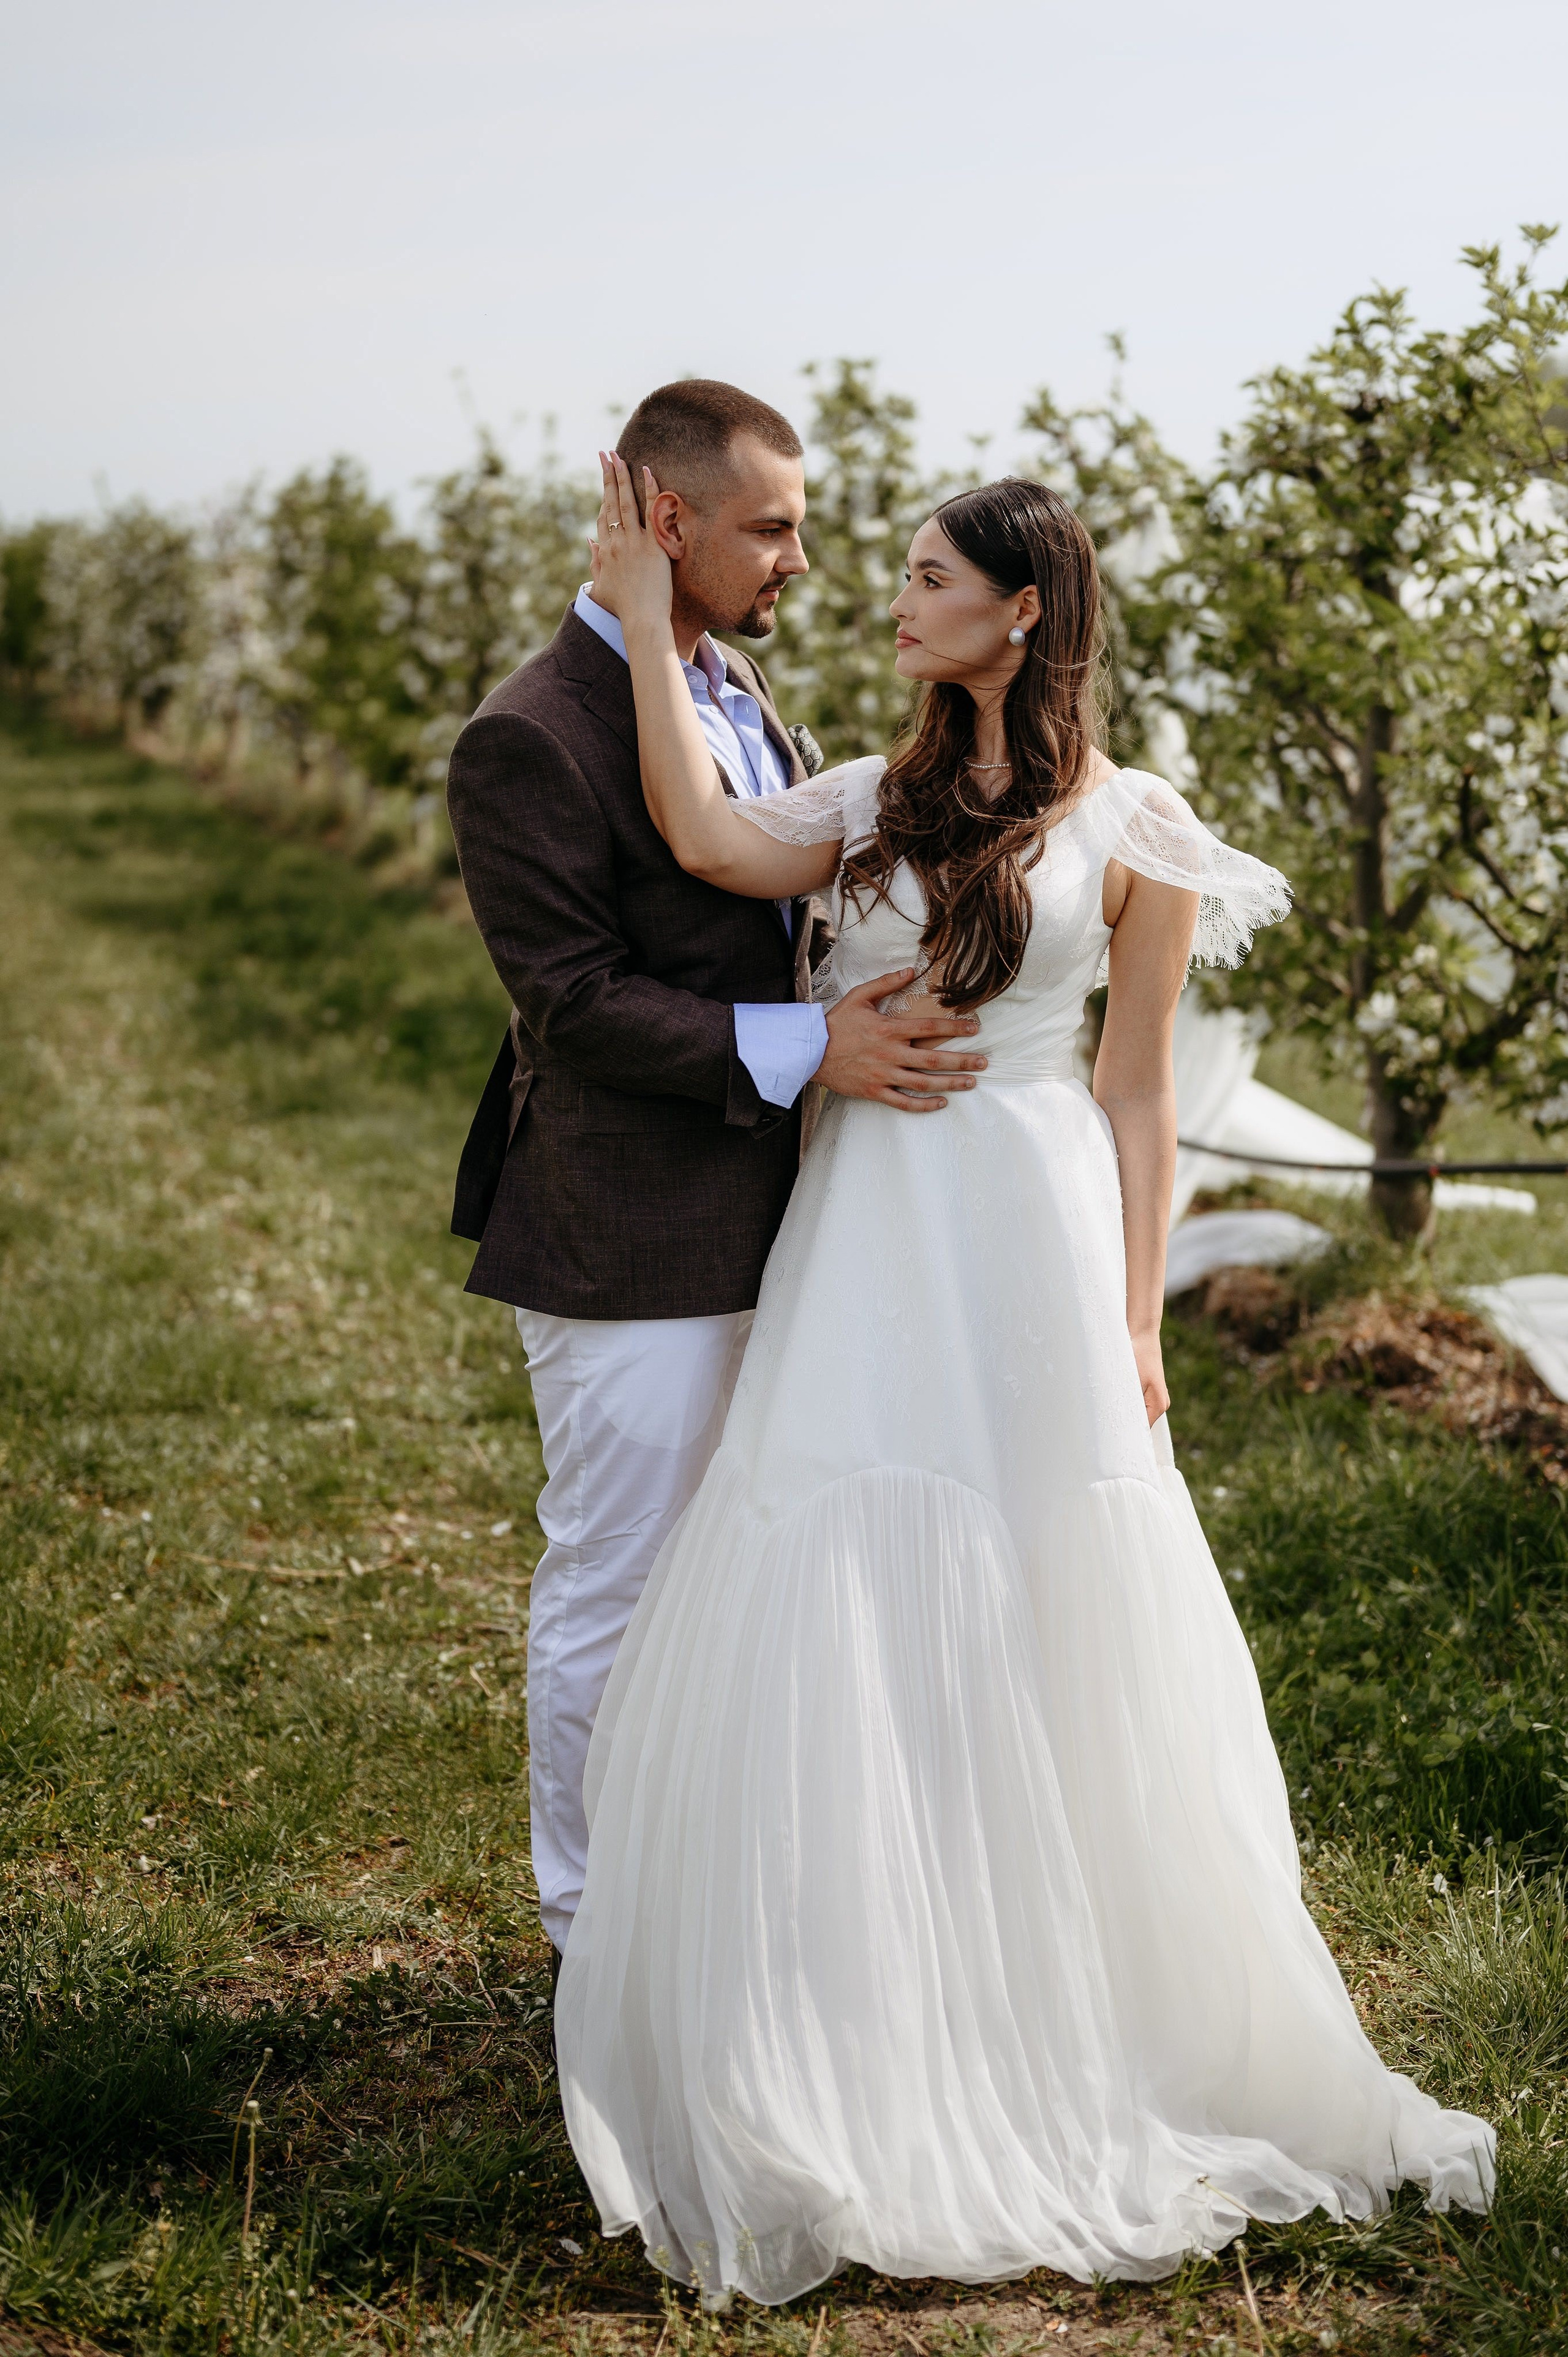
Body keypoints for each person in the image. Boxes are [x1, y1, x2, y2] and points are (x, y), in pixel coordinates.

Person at [554, 454, 1495, 2303]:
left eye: (923, 576)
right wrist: (652, 630)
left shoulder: (1140, 827)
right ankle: (856, 1997)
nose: (892, 601)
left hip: (1039, 1243)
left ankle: (1089, 2001)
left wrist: (1142, 1319)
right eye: (892, 572)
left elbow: (1140, 1091)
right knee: (839, 1563)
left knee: (1061, 1581)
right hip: (869, 1238)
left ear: (1024, 607)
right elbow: (702, 844)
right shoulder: (871, 795)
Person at [443, 382, 986, 1966]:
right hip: (627, 1235)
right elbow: (576, 1005)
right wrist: (816, 1049)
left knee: (750, 1581)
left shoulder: (734, 687)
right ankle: (591, 1932)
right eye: (772, 527)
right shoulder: (525, 738)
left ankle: (710, 1907)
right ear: (662, 521)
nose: (801, 562)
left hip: (783, 1229)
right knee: (621, 1582)